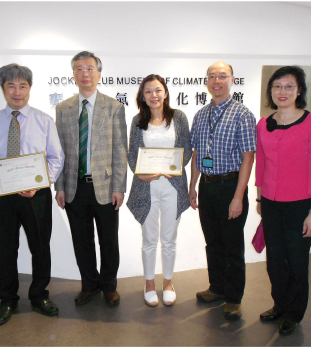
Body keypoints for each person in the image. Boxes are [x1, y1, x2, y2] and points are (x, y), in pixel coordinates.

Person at [0, 64, 64, 326]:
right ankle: (7, 299)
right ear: (3, 90)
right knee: (6, 249)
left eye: (23, 86)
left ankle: (39, 295)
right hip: (3, 195)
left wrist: (40, 183)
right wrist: (4, 176)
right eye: (11, 86)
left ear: (30, 89)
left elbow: (56, 158)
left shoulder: (44, 121)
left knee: (40, 247)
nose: (17, 91)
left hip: (37, 195)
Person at [55, 51, 128, 306]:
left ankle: (109, 285)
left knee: (109, 239)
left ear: (99, 73)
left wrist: (119, 186)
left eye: (89, 69)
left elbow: (120, 149)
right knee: (81, 240)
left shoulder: (114, 107)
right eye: (79, 69)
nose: (84, 74)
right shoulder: (63, 109)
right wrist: (60, 186)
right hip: (74, 187)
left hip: (106, 187)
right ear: (73, 75)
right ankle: (89, 284)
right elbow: (60, 151)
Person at [189, 62, 256, 320]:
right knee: (213, 242)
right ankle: (216, 288)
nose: (217, 81)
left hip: (230, 186)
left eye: (222, 76)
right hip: (207, 186)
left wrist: (238, 197)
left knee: (232, 245)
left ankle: (233, 298)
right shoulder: (201, 114)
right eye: (212, 76)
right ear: (207, 81)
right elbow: (196, 153)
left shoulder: (242, 114)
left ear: (232, 80)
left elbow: (248, 158)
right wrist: (193, 186)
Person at [126, 74, 192, 307]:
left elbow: (187, 149)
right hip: (147, 187)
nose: (153, 96)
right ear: (142, 96)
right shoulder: (137, 121)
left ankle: (168, 283)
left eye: (157, 90)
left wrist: (175, 166)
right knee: (149, 239)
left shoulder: (179, 118)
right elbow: (133, 154)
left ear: (165, 92)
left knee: (169, 239)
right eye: (148, 92)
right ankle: (149, 284)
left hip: (173, 186)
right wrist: (140, 173)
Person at [256, 66, 311, 336]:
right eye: (277, 86)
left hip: (301, 205)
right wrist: (258, 196)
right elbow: (262, 162)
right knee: (275, 259)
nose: (283, 91)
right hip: (270, 201)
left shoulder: (310, 123)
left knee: (298, 262)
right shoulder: (264, 123)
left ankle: (293, 312)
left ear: (299, 90)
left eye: (289, 86)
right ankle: (279, 304)